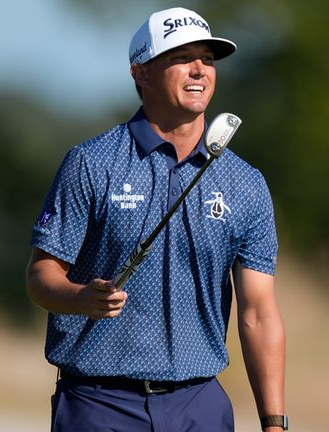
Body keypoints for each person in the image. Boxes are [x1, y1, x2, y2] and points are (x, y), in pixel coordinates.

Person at [26, 7, 287, 431]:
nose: (199, 69)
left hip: (198, 405)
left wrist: (274, 423)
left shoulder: (245, 182)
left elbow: (258, 312)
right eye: (181, 58)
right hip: (100, 402)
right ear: (141, 73)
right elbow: (41, 275)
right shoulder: (92, 163)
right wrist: (79, 298)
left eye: (207, 59)